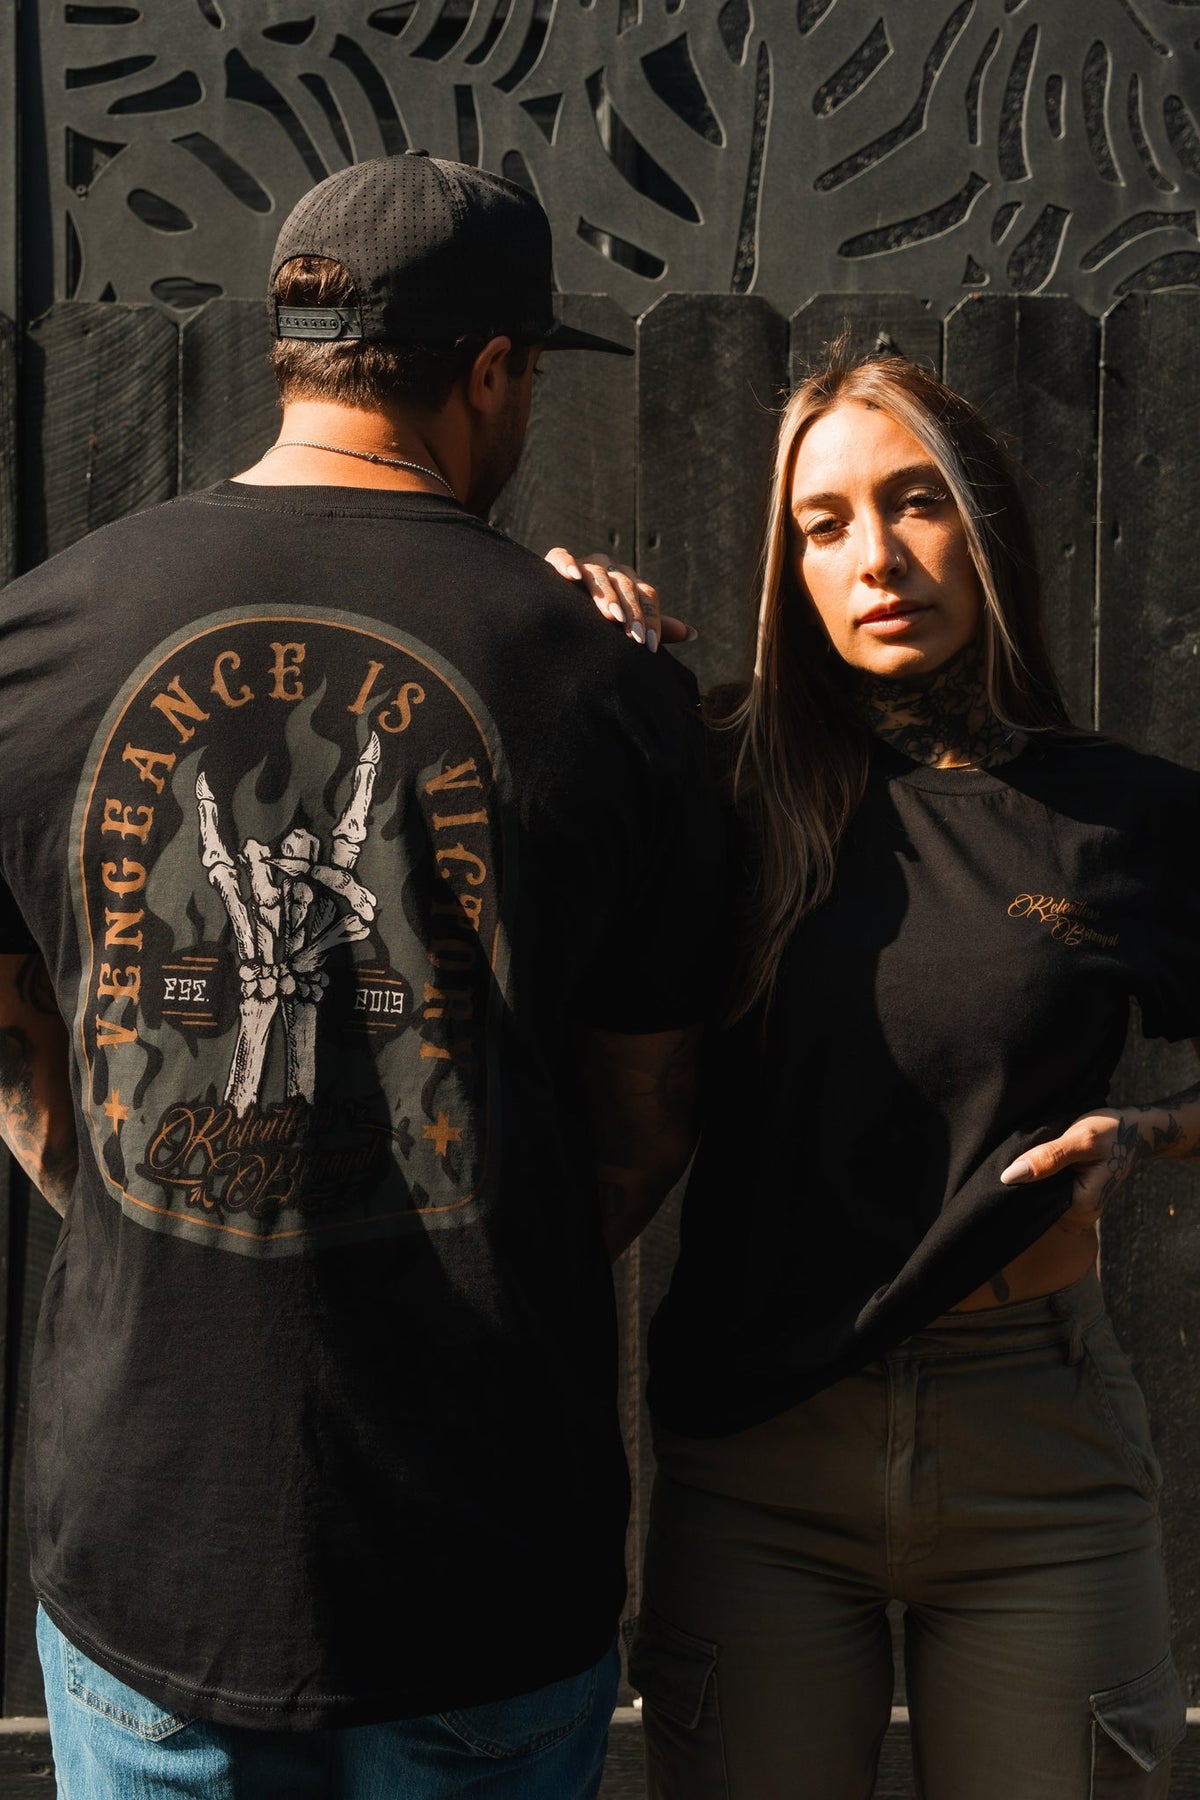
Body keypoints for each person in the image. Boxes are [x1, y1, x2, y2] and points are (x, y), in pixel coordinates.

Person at [0, 153, 724, 1799]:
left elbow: (19, 1061)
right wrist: (455, 1215)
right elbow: (643, 1119)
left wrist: (155, 1196)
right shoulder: (613, 692)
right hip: (480, 1565)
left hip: (148, 1551)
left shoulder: (32, 643)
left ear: (293, 348)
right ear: (492, 371)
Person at [552, 351, 1199, 1799]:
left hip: (1037, 1438)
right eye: (824, 522)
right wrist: (551, 631)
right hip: (758, 1450)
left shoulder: (1124, 815)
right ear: (789, 564)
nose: (877, 555)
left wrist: (1151, 1131)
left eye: (918, 504)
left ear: (989, 527)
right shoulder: (713, 777)